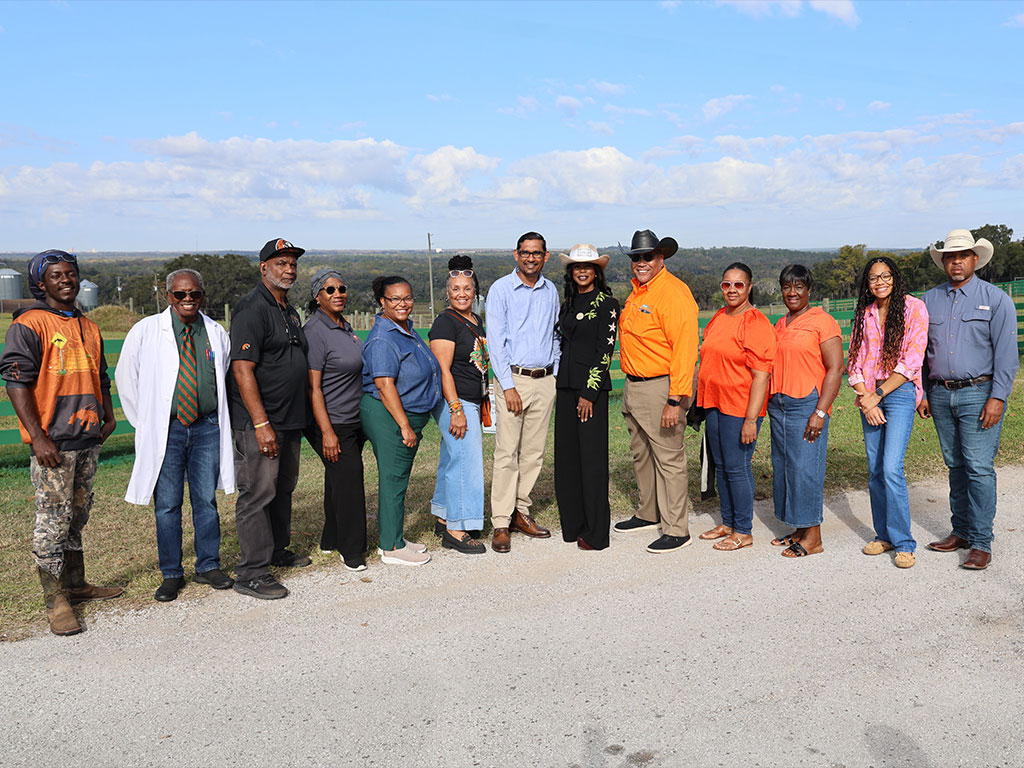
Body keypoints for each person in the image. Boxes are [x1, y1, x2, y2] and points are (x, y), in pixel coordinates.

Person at [0, 250, 121, 635]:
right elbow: (16, 382)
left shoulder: (89, 325)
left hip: (88, 436)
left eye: (71, 274)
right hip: (53, 441)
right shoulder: (29, 324)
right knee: (52, 521)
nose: (66, 280)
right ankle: (55, 600)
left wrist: (109, 414)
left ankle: (77, 584)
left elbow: (100, 375)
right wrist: (37, 437)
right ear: (42, 282)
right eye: (56, 275)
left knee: (76, 514)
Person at [116, 268, 236, 602]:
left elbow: (222, 375)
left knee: (206, 501)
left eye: (194, 294)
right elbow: (127, 379)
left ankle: (208, 565)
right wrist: (147, 425)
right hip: (165, 430)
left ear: (202, 296)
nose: (187, 300)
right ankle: (171, 573)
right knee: (167, 505)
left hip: (206, 427)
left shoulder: (215, 332)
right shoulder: (146, 331)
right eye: (180, 294)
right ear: (168, 296)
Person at [919, 229, 1019, 570]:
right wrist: (923, 392)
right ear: (943, 262)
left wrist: (998, 397)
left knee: (978, 467)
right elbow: (920, 353)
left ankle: (980, 541)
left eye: (962, 255)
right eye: (950, 256)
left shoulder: (996, 299)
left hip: (979, 393)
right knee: (956, 466)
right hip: (940, 394)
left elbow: (1007, 355)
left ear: (975, 259)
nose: (956, 261)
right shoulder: (927, 301)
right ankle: (960, 530)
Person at [228, 238, 311, 599]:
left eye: (292, 264)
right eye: (280, 263)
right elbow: (243, 369)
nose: (288, 269)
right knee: (258, 492)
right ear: (264, 268)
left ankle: (276, 549)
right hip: (260, 422)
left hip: (289, 418)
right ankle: (251, 572)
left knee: (282, 488)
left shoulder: (288, 309)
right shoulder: (252, 309)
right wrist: (261, 424)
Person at [614, 229, 700, 554]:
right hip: (634, 386)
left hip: (662, 386)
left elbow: (684, 350)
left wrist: (675, 400)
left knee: (669, 458)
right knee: (642, 455)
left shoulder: (673, 293)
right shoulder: (638, 293)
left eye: (647, 256)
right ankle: (649, 512)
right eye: (636, 257)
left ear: (660, 257)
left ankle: (677, 529)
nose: (641, 262)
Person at [847, 256, 929, 569]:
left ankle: (904, 542)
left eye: (885, 276)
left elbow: (912, 361)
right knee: (875, 469)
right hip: (869, 394)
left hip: (899, 392)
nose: (879, 282)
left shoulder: (913, 308)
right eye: (873, 278)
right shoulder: (864, 313)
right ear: (867, 284)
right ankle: (883, 535)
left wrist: (878, 395)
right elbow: (853, 361)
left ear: (894, 277)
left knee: (892, 466)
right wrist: (865, 397)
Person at [485, 232, 561, 553]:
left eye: (537, 253)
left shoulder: (551, 290)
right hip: (513, 379)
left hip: (545, 380)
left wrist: (554, 375)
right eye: (526, 253)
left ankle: (521, 511)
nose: (531, 258)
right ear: (516, 254)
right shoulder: (501, 290)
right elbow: (496, 342)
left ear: (545, 256)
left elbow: (555, 335)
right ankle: (501, 521)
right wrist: (508, 385)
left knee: (533, 452)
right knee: (506, 453)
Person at [360, 275, 443, 566]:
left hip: (404, 413)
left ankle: (395, 536)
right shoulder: (383, 338)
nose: (403, 303)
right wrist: (405, 426)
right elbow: (384, 385)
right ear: (382, 302)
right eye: (394, 298)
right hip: (391, 415)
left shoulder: (403, 329)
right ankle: (391, 547)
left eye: (407, 297)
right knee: (393, 479)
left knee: (399, 478)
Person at [696, 263, 776, 552]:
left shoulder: (754, 322)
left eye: (738, 285)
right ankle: (727, 522)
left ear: (750, 287)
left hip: (740, 407)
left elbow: (761, 375)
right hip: (715, 404)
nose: (732, 290)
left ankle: (743, 530)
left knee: (737, 467)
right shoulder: (719, 317)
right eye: (726, 284)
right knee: (721, 466)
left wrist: (751, 418)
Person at [766, 265, 843, 558]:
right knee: (785, 467)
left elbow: (836, 369)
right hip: (780, 403)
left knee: (806, 469)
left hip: (807, 403)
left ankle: (814, 538)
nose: (792, 293)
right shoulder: (780, 324)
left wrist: (820, 412)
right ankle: (799, 528)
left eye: (799, 287)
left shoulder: (823, 322)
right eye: (787, 287)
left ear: (809, 290)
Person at [553, 244, 619, 550]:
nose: (582, 271)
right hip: (564, 388)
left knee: (591, 462)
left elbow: (604, 352)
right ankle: (574, 524)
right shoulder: (567, 302)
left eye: (588, 267)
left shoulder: (607, 304)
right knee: (567, 460)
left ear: (597, 271)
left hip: (588, 392)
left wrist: (589, 394)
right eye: (578, 267)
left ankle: (596, 532)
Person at [303, 268, 368, 572]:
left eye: (341, 288)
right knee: (351, 480)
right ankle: (351, 550)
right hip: (333, 421)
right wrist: (327, 432)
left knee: (338, 480)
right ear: (317, 297)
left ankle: (330, 538)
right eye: (330, 290)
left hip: (353, 417)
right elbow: (313, 387)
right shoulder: (315, 331)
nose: (338, 293)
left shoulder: (343, 325)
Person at [428, 256, 488, 555]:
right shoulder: (445, 322)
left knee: (453, 458)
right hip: (456, 401)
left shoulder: (475, 320)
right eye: (455, 289)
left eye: (466, 288)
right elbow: (443, 369)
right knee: (467, 462)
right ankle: (457, 528)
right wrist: (456, 409)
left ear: (474, 290)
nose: (461, 293)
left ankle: (443, 514)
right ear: (447, 293)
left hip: (471, 399)